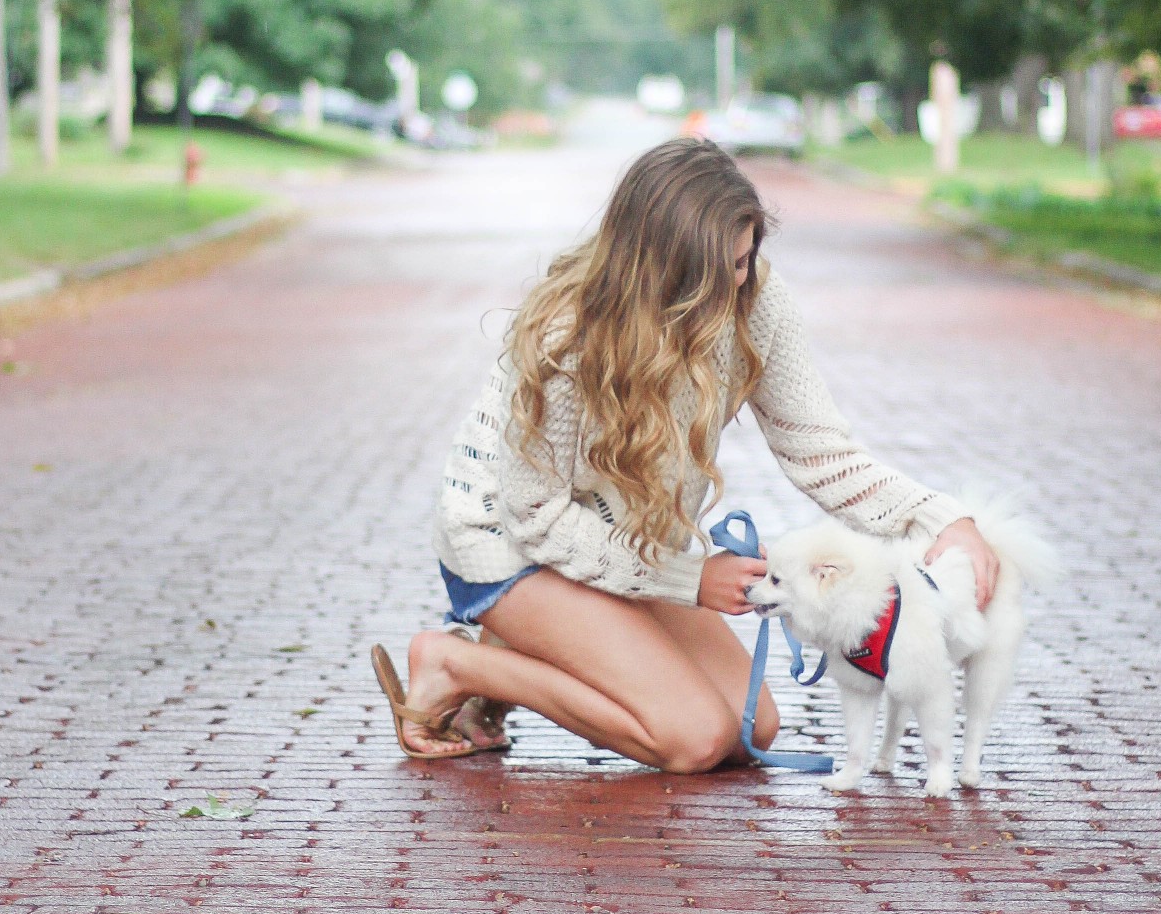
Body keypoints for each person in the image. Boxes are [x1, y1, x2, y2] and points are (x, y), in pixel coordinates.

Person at [371, 136, 997, 771]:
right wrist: (689, 581)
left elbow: (820, 449)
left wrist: (943, 519)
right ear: (654, 269)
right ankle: (458, 663)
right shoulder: (571, 338)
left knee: (754, 727)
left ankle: (518, 652)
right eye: (714, 272)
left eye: (745, 260)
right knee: (694, 737)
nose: (737, 285)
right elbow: (536, 517)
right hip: (508, 542)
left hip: (620, 542)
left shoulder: (755, 298)